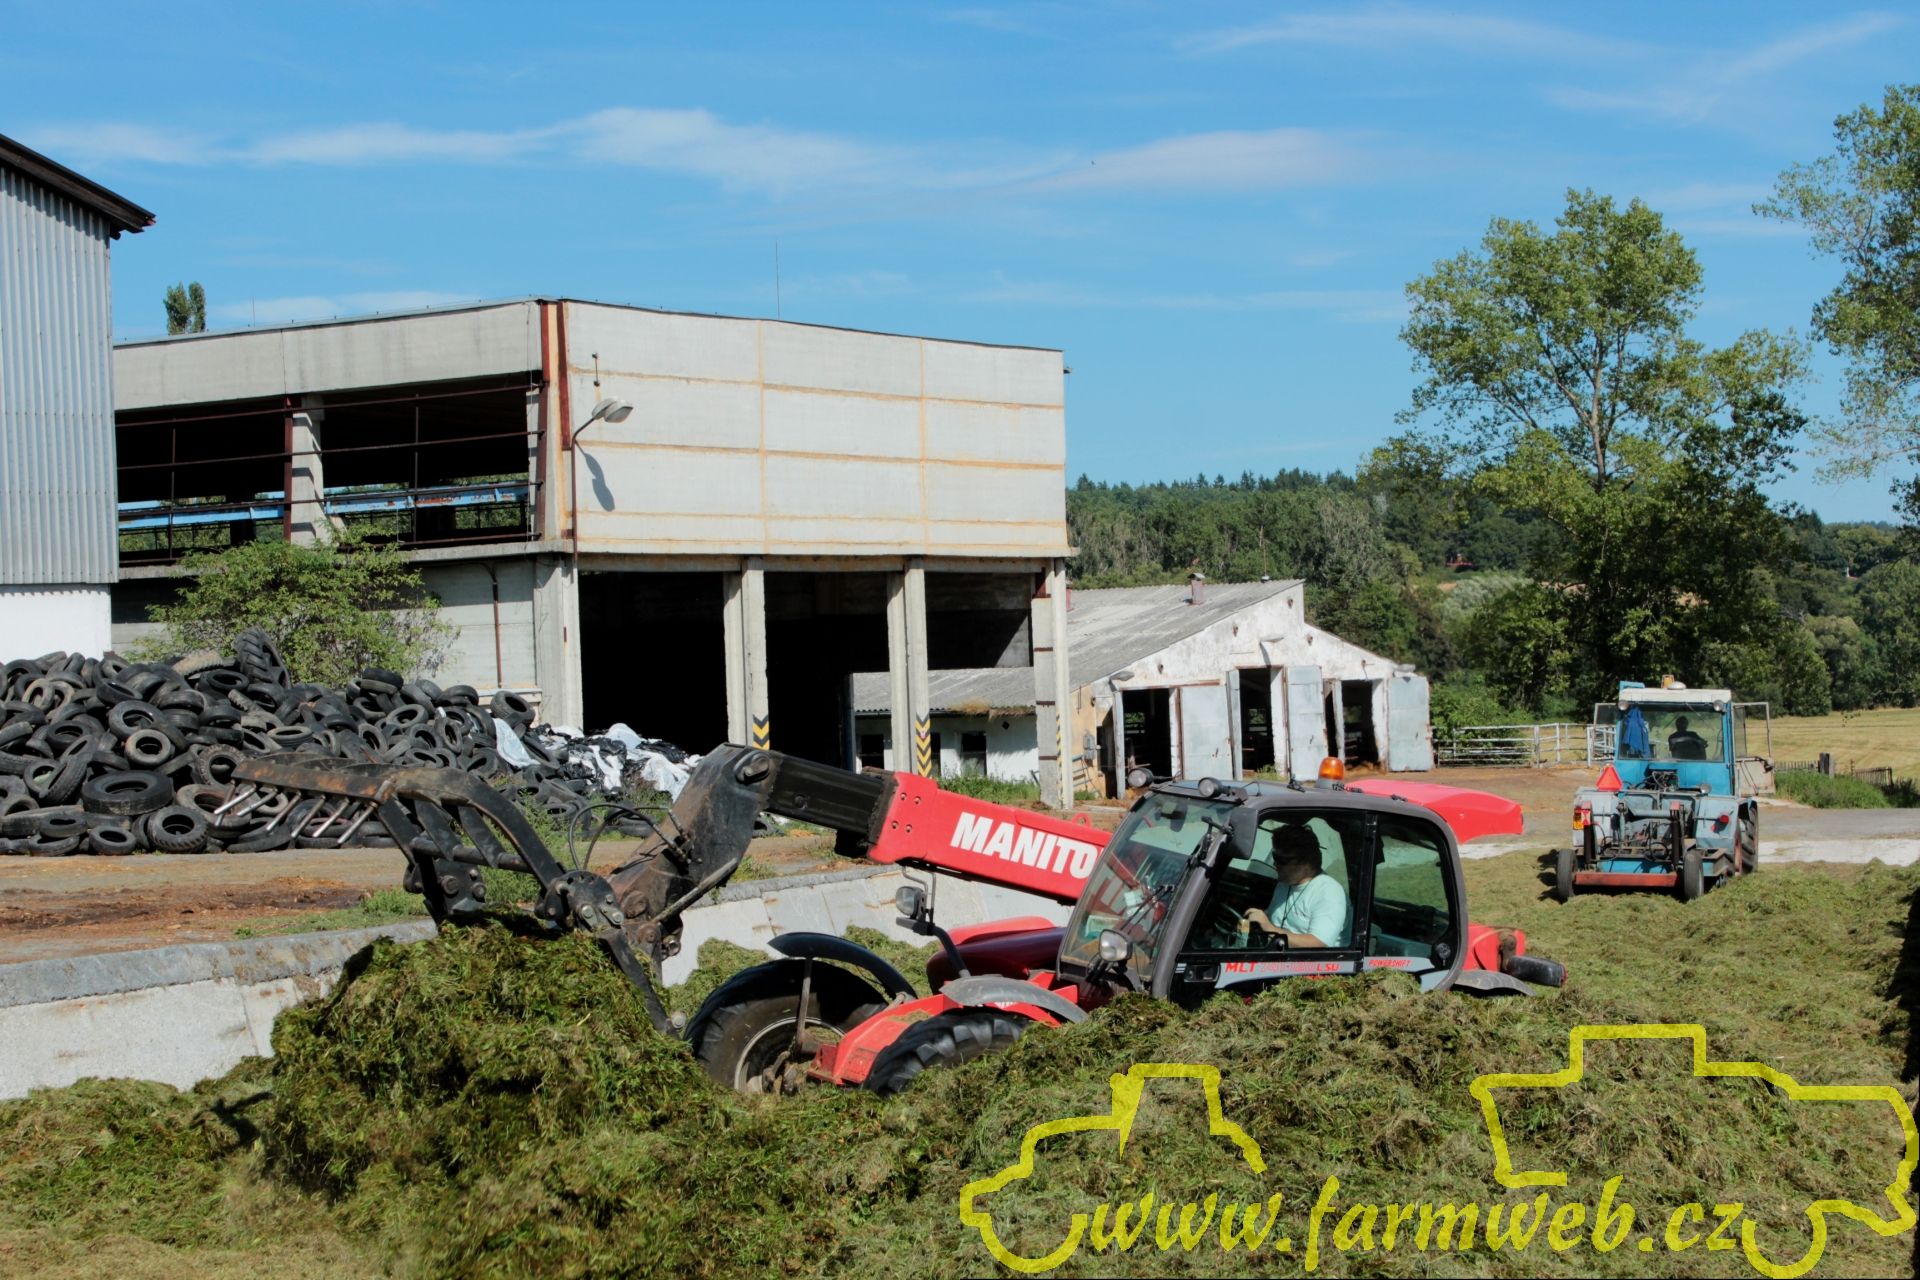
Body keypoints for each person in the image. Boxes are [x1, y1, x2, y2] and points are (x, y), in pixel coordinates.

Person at [1240, 824, 1349, 948]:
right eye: (1275, 856)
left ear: (1305, 863)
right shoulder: (1285, 883)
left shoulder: (1329, 892)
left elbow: (1318, 944)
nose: (1275, 864)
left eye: (1282, 860)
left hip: (1309, 960)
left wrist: (1269, 928)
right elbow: (1275, 917)